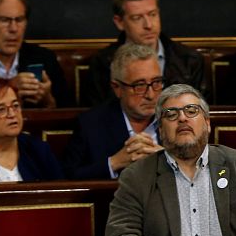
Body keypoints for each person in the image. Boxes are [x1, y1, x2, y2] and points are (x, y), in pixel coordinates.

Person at [104, 84, 236, 236]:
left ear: (207, 123)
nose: (182, 118)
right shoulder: (137, 176)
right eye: (171, 114)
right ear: (161, 130)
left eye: (191, 111)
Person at [85, 0, 207, 106]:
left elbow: (202, 112)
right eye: (137, 18)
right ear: (119, 22)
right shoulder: (102, 63)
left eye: (152, 14)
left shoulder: (190, 60)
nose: (148, 25)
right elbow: (98, 115)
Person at [63, 43, 163, 179]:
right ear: (117, 88)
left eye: (156, 82)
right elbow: (69, 178)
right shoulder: (90, 125)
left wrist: (167, 161)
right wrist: (114, 163)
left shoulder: (177, 119)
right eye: (139, 85)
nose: (150, 95)